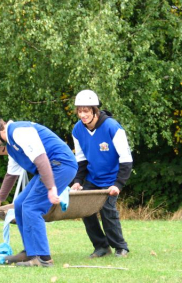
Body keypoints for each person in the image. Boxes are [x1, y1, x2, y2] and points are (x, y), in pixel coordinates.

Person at [0, 111, 77, 267]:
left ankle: (43, 258)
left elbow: (41, 159)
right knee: (21, 203)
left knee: (32, 207)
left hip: (61, 165)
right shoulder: (11, 145)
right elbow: (11, 175)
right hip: (50, 167)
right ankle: (30, 252)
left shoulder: (19, 132)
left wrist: (51, 188)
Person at [71, 90, 133, 258]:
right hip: (92, 177)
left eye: (86, 111)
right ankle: (101, 246)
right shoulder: (77, 130)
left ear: (95, 110)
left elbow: (126, 159)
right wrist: (77, 181)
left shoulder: (112, 127)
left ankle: (120, 247)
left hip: (112, 178)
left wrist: (118, 184)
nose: (83, 115)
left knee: (107, 209)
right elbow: (81, 159)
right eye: (80, 111)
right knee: (85, 209)